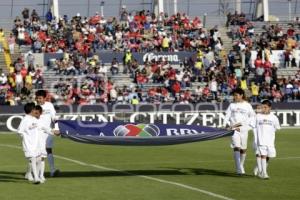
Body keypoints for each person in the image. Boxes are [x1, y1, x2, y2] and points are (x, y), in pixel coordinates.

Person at [224, 88, 255, 175]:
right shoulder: (232, 105)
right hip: (234, 130)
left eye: (236, 95)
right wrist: (226, 124)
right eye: (234, 95)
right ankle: (238, 168)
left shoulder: (247, 105)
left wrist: (246, 126)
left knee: (243, 149)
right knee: (236, 147)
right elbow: (227, 116)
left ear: (241, 95)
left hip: (244, 130)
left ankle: (241, 165)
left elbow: (252, 117)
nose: (235, 97)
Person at [249, 100, 281, 179]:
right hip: (260, 140)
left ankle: (259, 169)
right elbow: (251, 125)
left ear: (270, 108)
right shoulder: (258, 116)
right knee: (263, 155)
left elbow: (277, 127)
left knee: (269, 156)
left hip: (270, 141)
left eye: (265, 107)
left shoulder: (274, 117)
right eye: (262, 107)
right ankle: (264, 173)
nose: (263, 109)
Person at [35, 90, 59, 177]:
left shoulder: (49, 105)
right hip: (38, 132)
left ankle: (52, 170)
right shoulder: (34, 106)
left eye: (40, 98)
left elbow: (54, 117)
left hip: (48, 131)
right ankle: (35, 172)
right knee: (37, 153)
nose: (38, 100)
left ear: (45, 98)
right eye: (37, 98)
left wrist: (56, 128)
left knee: (48, 150)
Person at [17, 102, 41, 184]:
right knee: (33, 159)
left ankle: (28, 174)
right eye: (34, 109)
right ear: (32, 110)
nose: (36, 110)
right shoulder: (25, 119)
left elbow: (39, 128)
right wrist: (26, 137)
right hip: (28, 144)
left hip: (36, 144)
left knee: (38, 159)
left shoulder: (34, 119)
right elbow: (19, 131)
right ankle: (36, 178)